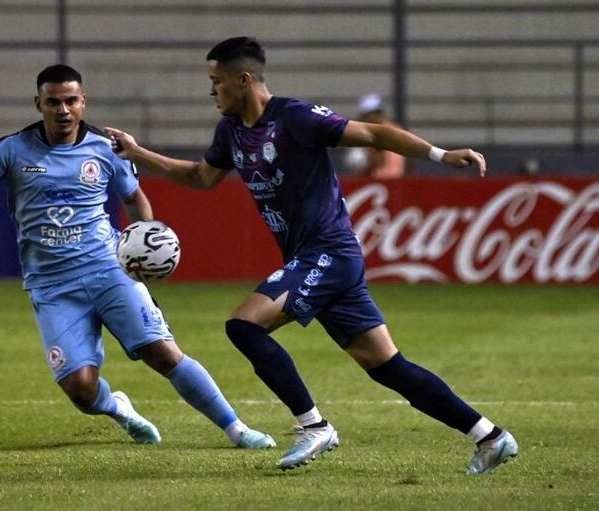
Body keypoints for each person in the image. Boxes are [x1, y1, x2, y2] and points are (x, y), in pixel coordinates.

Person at [105, 36, 518, 473]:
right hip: (315, 259)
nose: (211, 91)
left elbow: (374, 133)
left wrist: (440, 154)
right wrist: (138, 153)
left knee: (244, 326)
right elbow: (201, 177)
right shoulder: (231, 131)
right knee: (387, 367)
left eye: (216, 81)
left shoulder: (295, 117)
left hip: (329, 252)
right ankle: (490, 437)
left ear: (243, 80)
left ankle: (314, 426)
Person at [0, 64, 275, 451]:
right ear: (38, 103)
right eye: (53, 102)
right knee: (80, 388)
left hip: (110, 270)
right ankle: (119, 408)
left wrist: (146, 243)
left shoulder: (105, 148)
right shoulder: (12, 149)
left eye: (71, 101)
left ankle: (237, 429)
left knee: (162, 352)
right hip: (52, 285)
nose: (63, 110)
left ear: (83, 102)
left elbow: (134, 197)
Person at [343, 93, 407, 179]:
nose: (374, 116)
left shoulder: (393, 131)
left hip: (392, 180)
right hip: (375, 181)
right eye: (369, 114)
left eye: (377, 112)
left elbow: (390, 166)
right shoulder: (362, 134)